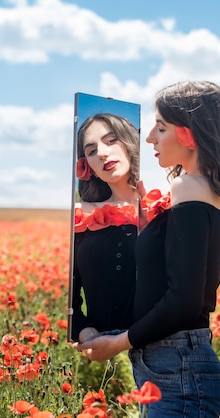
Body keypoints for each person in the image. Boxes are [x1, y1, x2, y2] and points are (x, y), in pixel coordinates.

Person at [75, 81, 220, 417]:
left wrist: (116, 343)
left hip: (178, 368)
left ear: (189, 134)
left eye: (160, 128)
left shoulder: (187, 187)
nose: (150, 138)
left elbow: (185, 300)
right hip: (179, 364)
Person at [71, 113, 140, 343]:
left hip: (157, 349)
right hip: (99, 351)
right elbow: (68, 295)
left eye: (111, 141)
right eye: (91, 151)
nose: (101, 152)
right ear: (87, 166)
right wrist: (83, 330)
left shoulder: (163, 209)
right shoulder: (82, 216)